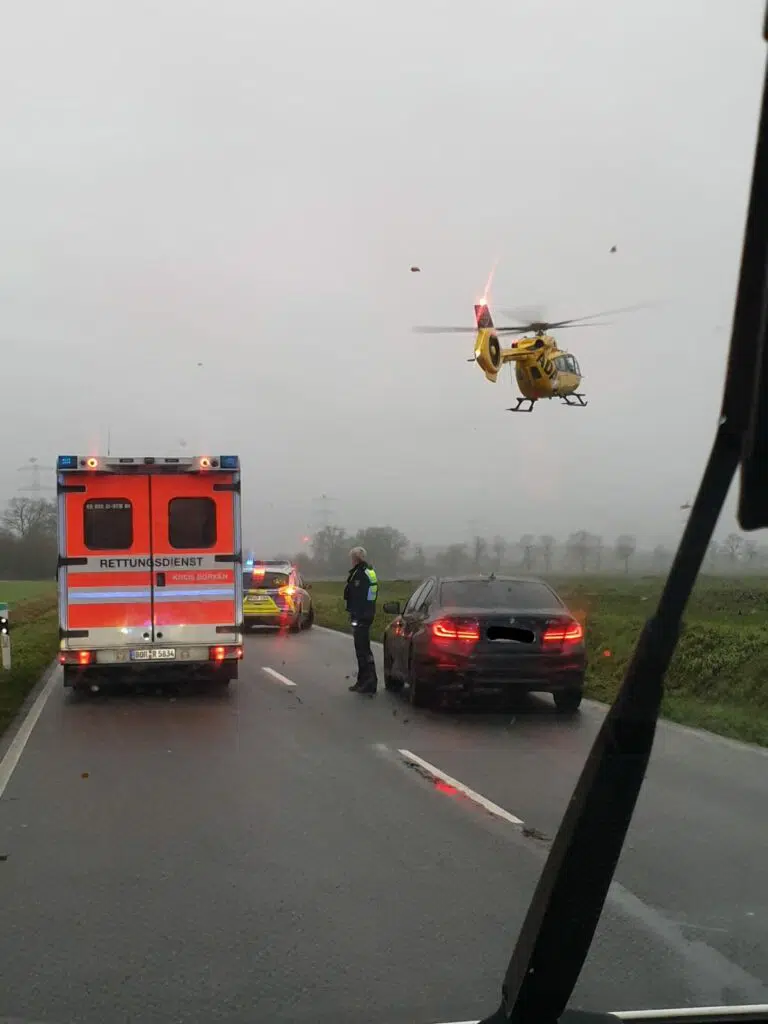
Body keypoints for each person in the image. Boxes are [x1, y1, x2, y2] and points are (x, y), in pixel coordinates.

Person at [343, 546, 379, 694]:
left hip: (362, 616)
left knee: (363, 649)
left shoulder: (360, 574)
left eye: (352, 558)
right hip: (366, 614)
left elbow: (358, 597)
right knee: (362, 649)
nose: (351, 561)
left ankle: (369, 681)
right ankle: (363, 680)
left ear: (356, 559)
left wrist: (356, 615)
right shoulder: (367, 571)